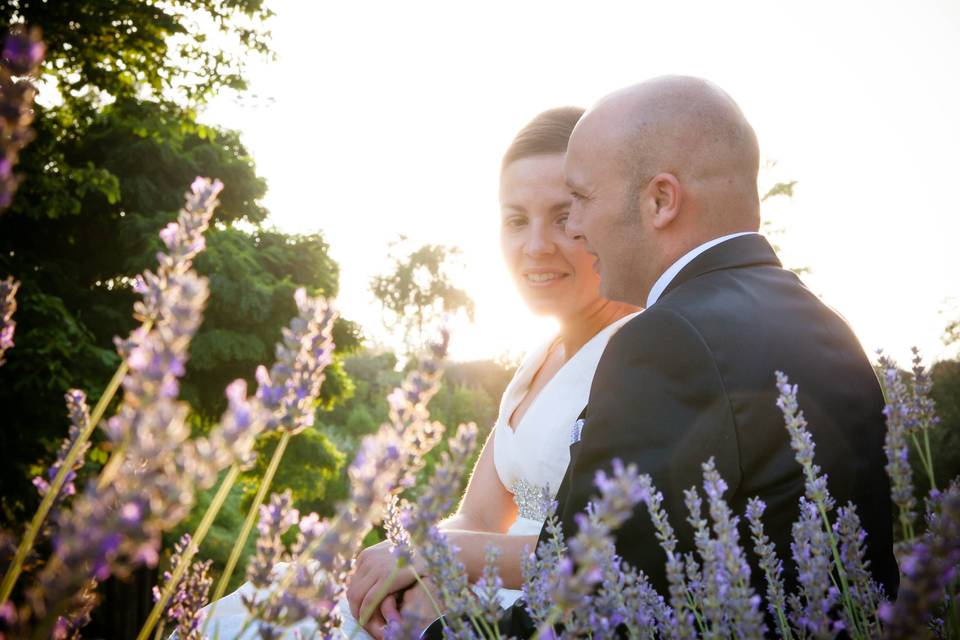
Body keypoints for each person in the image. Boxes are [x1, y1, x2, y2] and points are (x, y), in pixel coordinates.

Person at [429, 75, 899, 638]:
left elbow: (586, 587)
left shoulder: (668, 339)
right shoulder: (826, 323)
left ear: (660, 200)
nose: (575, 227)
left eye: (580, 200)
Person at [196, 107, 639, 639]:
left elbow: (610, 557)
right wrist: (399, 561)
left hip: (533, 617)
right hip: (464, 585)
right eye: (516, 219)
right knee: (262, 603)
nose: (536, 244)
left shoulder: (639, 355)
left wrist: (439, 555)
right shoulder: (539, 356)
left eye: (564, 216)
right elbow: (476, 518)